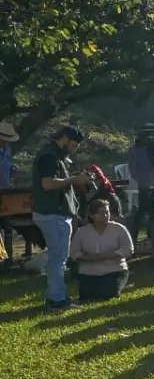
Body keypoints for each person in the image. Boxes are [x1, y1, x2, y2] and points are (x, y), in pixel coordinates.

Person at [31, 126, 89, 309]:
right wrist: (74, 180)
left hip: (54, 213)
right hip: (52, 214)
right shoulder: (49, 156)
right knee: (58, 258)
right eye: (73, 145)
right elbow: (47, 184)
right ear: (64, 138)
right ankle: (57, 299)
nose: (74, 149)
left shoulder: (54, 155)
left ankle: (54, 296)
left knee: (57, 258)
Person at [69, 198, 134, 303]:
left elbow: (128, 249)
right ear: (91, 215)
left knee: (108, 293)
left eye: (107, 212)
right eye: (101, 213)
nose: (105, 215)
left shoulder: (119, 229)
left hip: (114, 269)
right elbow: (74, 253)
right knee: (87, 296)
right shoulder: (82, 232)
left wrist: (109, 255)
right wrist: (89, 258)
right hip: (88, 271)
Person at [126, 123, 154, 244]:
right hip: (144, 183)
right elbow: (134, 168)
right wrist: (143, 180)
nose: (153, 138)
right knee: (143, 210)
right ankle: (134, 236)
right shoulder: (136, 149)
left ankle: (150, 236)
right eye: (151, 135)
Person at [0, 121, 17, 188]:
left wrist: (13, 169)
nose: (6, 142)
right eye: (4, 140)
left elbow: (7, 164)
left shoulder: (7, 150)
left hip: (4, 191)